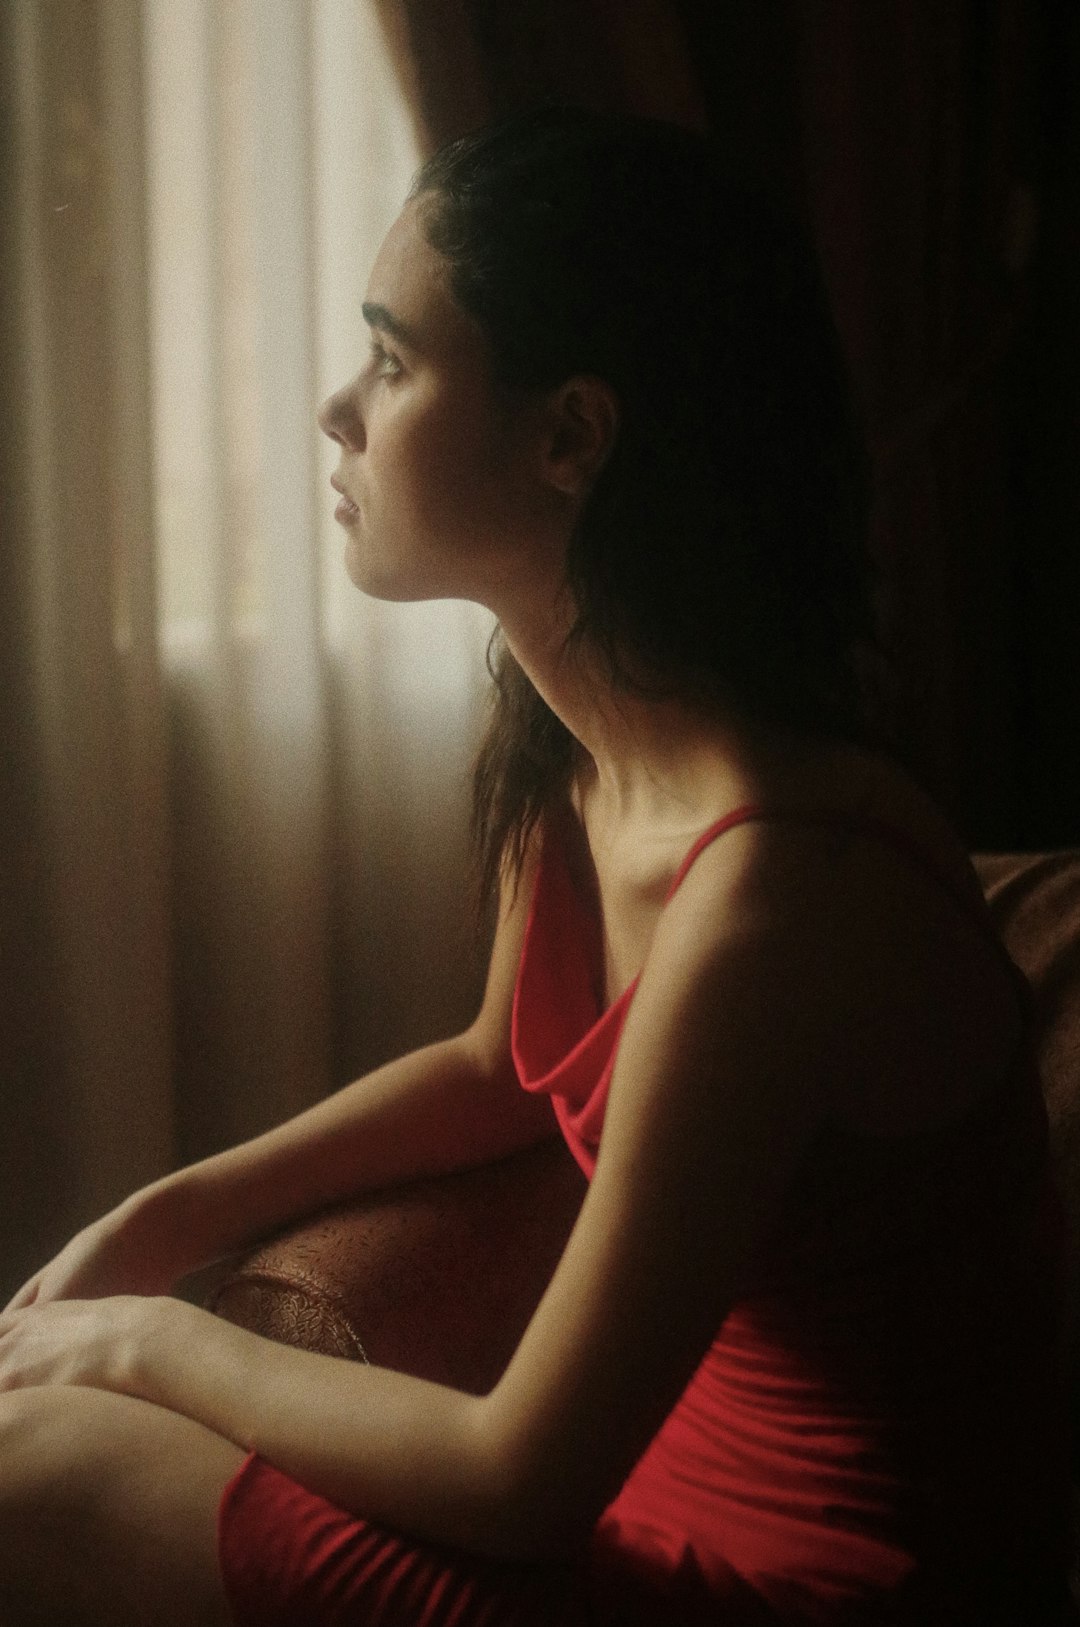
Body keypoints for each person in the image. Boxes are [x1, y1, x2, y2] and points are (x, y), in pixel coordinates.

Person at [0, 105, 1070, 1627]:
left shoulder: (772, 896)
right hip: (654, 1517)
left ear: (571, 436)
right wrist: (167, 1214)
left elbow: (521, 1474)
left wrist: (146, 1344)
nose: (335, 408)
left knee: (31, 1461)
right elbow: (503, 1066)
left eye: (392, 360)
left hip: (795, 1594)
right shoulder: (575, 742)